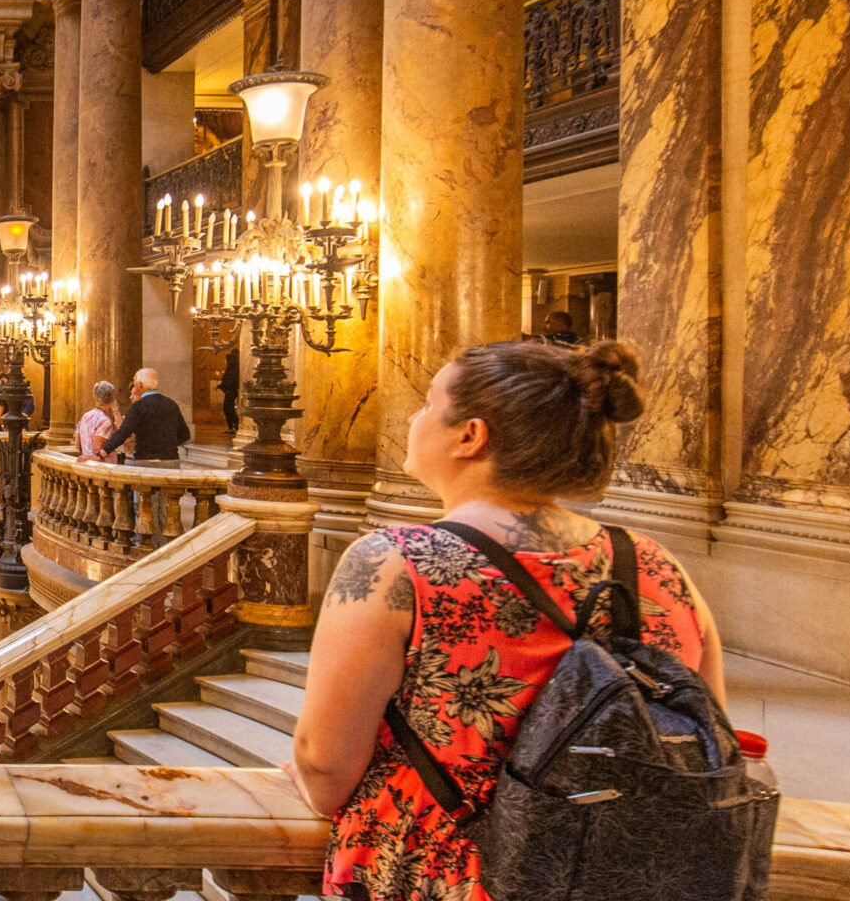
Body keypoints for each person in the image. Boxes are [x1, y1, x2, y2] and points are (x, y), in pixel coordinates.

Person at [288, 340, 725, 901]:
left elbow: (325, 769)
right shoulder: (656, 566)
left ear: (471, 435)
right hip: (626, 877)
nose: (414, 418)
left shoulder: (399, 565)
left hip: (449, 876)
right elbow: (710, 740)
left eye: (426, 403)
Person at [99, 369, 191, 464]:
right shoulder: (171, 404)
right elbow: (185, 435)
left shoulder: (138, 406)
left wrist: (102, 453)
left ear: (140, 385)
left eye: (135, 383)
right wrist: (166, 445)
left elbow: (123, 433)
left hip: (146, 462)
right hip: (171, 462)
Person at [75, 380, 122, 459]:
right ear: (112, 398)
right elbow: (97, 449)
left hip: (86, 462)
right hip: (101, 465)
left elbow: (77, 444)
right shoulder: (105, 421)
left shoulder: (85, 416)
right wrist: (115, 409)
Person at [218, 347, 240, 436]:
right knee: (228, 409)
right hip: (230, 391)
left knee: (229, 409)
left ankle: (234, 427)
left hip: (231, 391)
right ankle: (232, 427)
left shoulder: (232, 368)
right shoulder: (233, 367)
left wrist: (221, 385)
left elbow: (230, 380)